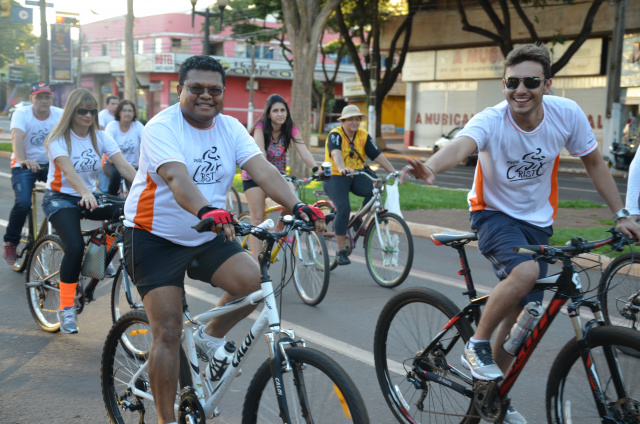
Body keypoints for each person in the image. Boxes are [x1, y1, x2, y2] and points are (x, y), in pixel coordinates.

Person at [400, 44, 640, 424]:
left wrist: (621, 213)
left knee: (524, 316)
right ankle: (477, 344)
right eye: (513, 82)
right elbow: (463, 144)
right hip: (492, 215)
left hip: (537, 222)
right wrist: (431, 167)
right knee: (526, 274)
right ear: (504, 84)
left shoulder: (566, 114)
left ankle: (490, 397)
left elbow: (594, 162)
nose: (521, 90)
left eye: (530, 81)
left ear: (547, 84)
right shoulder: (492, 120)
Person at [121, 55, 325, 424]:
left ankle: (209, 338)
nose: (206, 96)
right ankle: (167, 420)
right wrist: (204, 210)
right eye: (196, 88)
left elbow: (262, 169)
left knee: (253, 283)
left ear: (223, 93)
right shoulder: (161, 127)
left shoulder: (230, 127)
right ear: (180, 89)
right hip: (154, 235)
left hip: (207, 232)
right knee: (167, 332)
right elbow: (177, 179)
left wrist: (299, 205)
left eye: (214, 90)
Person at [42, 88, 137, 334]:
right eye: (82, 110)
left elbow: (124, 167)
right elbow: (69, 172)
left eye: (92, 111)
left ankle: (97, 256)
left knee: (126, 212)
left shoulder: (101, 136)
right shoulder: (58, 138)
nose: (87, 115)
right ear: (72, 112)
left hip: (89, 196)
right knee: (73, 247)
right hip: (60, 198)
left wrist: (146, 190)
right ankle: (66, 308)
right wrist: (84, 192)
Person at [241, 94, 321, 259]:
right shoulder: (260, 128)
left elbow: (303, 151)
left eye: (283, 110)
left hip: (277, 176)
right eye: (275, 110)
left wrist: (315, 168)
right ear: (268, 113)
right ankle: (257, 264)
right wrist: (266, 170)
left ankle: (279, 227)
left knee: (293, 200)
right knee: (257, 217)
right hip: (254, 175)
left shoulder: (289, 128)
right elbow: (260, 153)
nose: (280, 114)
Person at [323, 104, 397, 265]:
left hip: (356, 174)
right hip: (336, 176)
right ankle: (340, 251)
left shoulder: (363, 135)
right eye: (350, 119)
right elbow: (335, 154)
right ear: (343, 121)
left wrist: (393, 171)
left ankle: (357, 220)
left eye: (357, 119)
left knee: (376, 189)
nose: (354, 122)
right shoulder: (335, 135)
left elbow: (377, 155)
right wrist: (342, 168)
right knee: (343, 208)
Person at [3, 82, 63, 265]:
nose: (43, 101)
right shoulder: (22, 113)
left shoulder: (59, 114)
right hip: (25, 164)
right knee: (22, 203)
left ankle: (61, 232)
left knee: (67, 197)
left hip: (51, 165)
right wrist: (23, 160)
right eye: (39, 97)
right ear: (31, 99)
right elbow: (17, 137)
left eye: (47, 97)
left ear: (51, 99)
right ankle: (11, 242)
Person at [103, 99, 144, 195]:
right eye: (124, 110)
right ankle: (112, 199)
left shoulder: (138, 126)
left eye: (130, 111)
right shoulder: (112, 126)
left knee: (139, 183)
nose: (127, 113)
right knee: (116, 175)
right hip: (112, 164)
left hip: (133, 165)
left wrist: (142, 161)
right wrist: (110, 159)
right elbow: (106, 144)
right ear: (119, 112)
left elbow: (146, 143)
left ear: (134, 113)